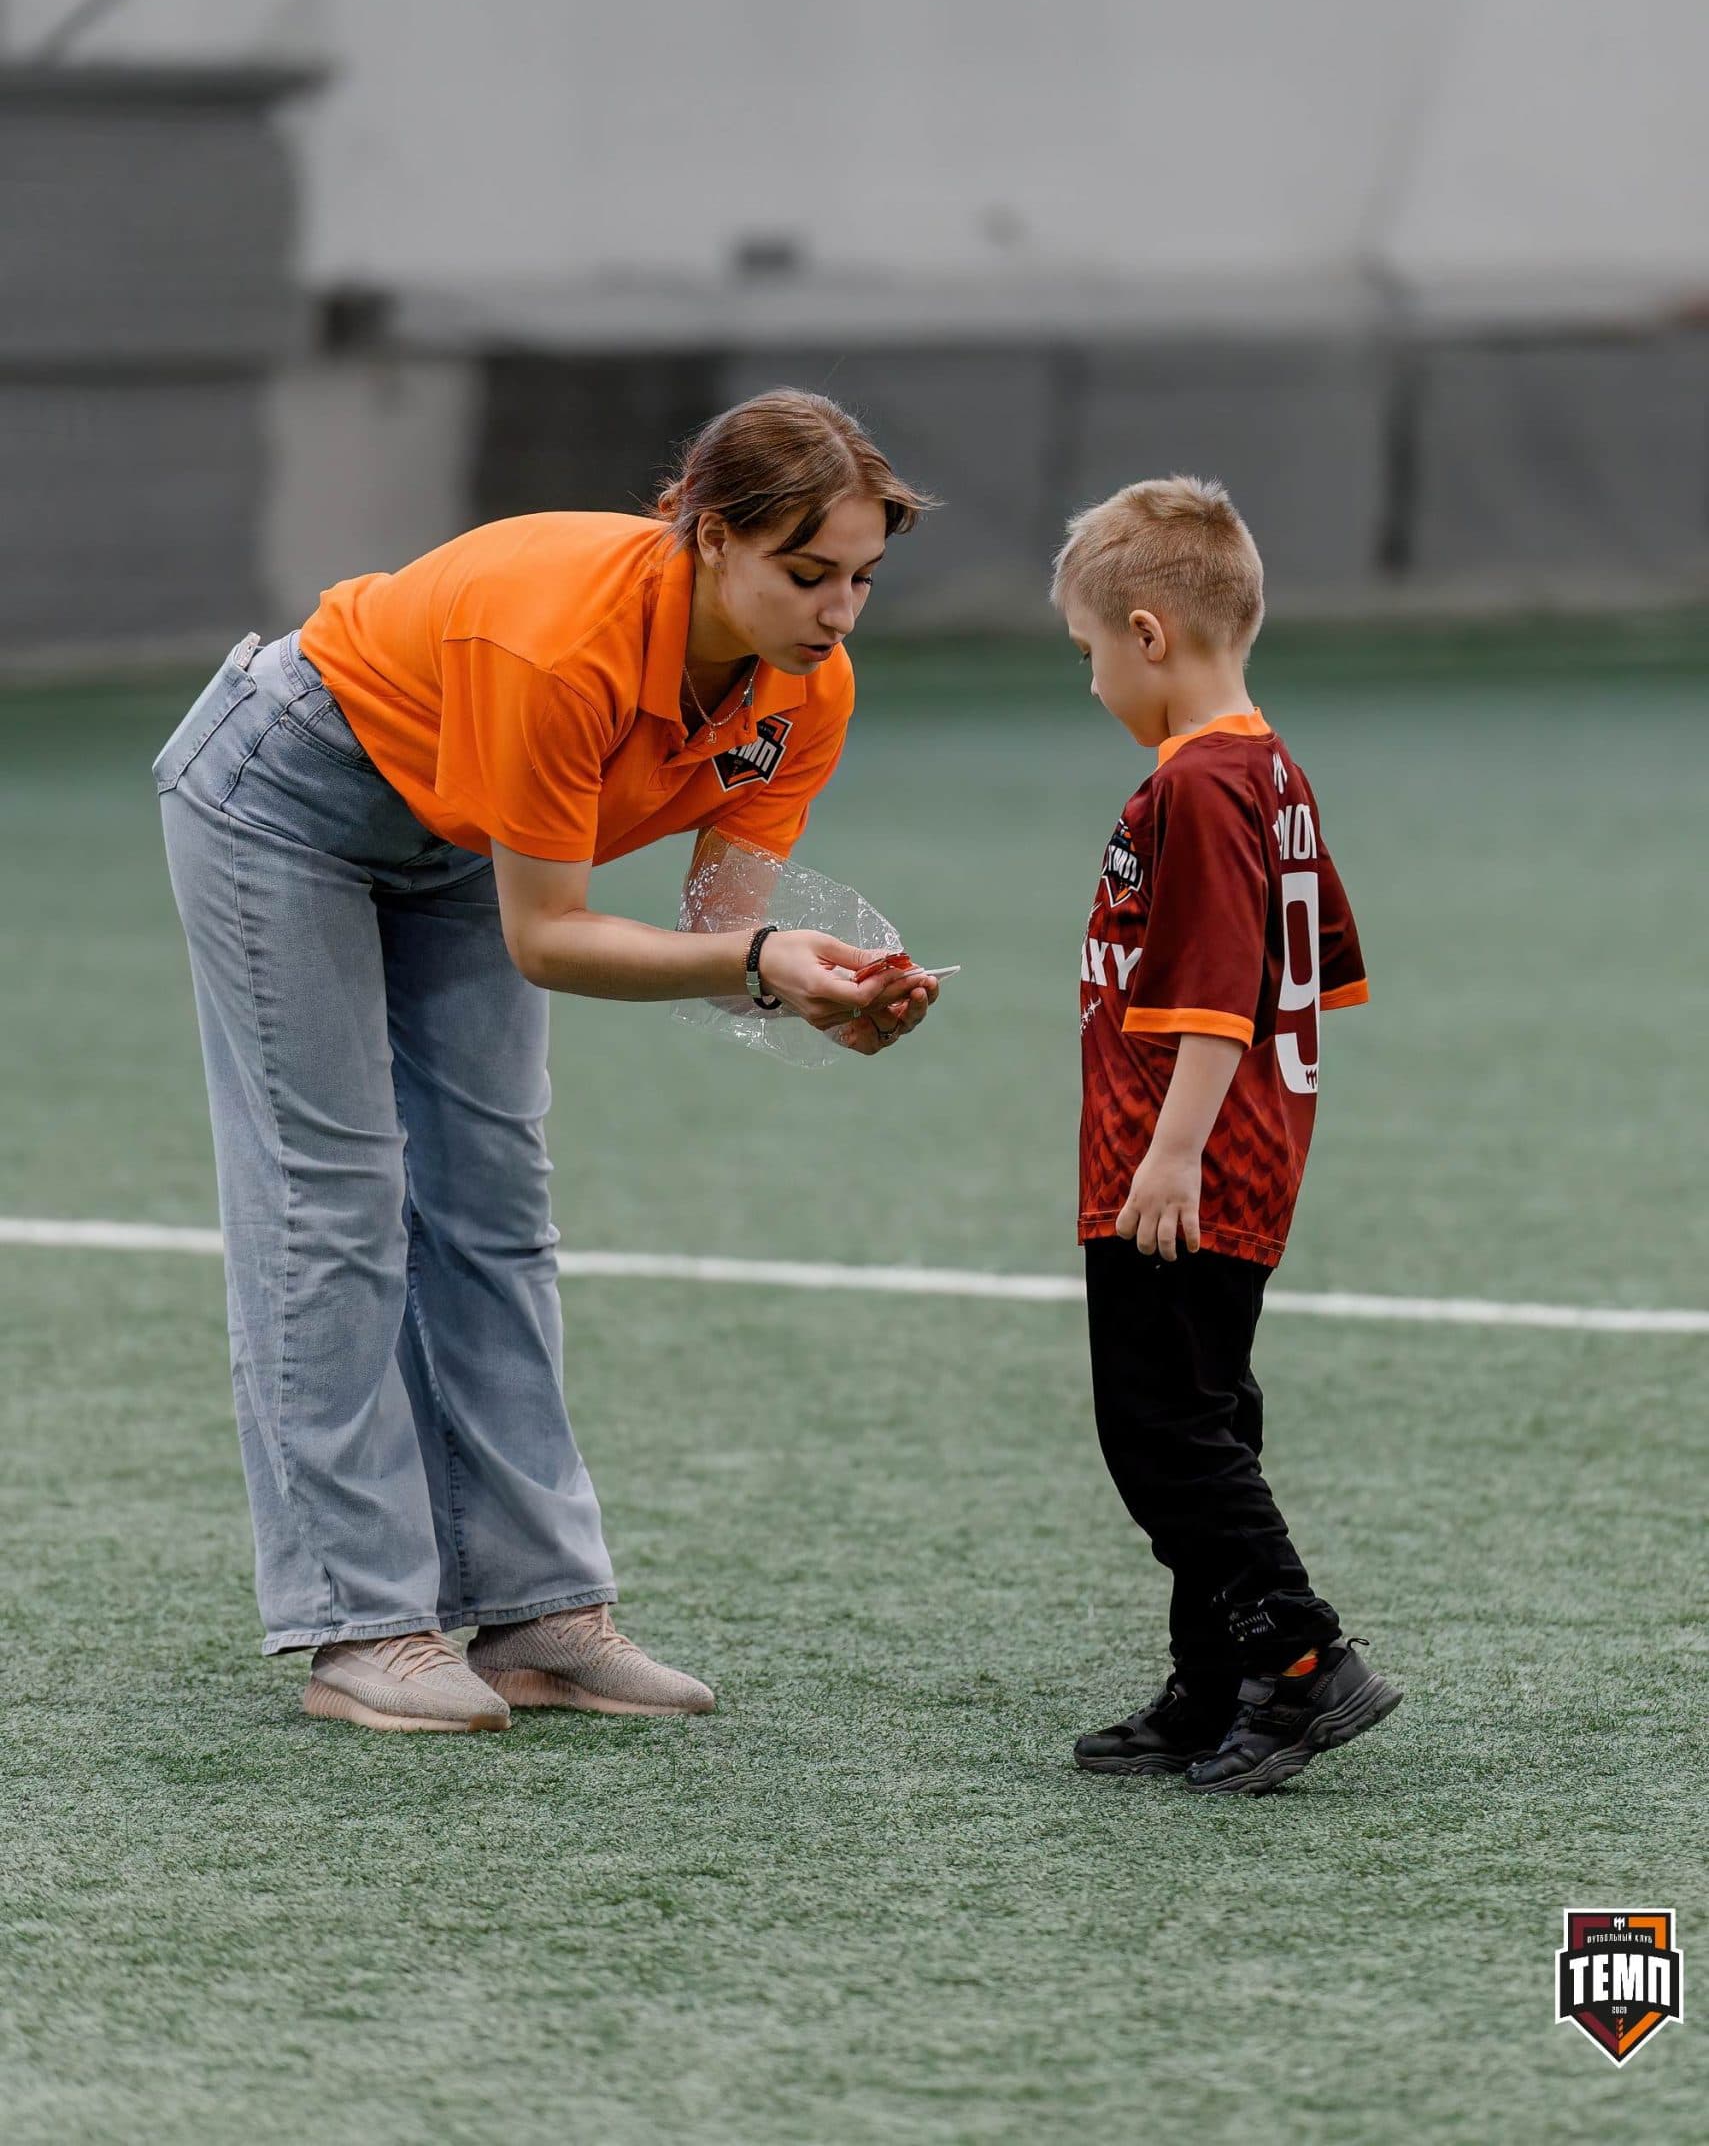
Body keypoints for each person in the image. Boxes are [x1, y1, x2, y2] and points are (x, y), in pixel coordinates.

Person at [152, 389, 939, 1735]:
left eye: (860, 580)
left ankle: (536, 1613)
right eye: (806, 575)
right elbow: (552, 939)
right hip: (283, 796)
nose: (836, 612)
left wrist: (814, 993)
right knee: (336, 1196)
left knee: (495, 1203)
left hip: (453, 827)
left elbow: (717, 927)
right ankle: (363, 1622)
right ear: (706, 537)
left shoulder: (804, 687)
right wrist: (759, 966)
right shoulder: (565, 645)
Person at [1051, 476, 1401, 1795]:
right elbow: (1316, 968)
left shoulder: (1200, 782)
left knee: (1158, 1429)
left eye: (1088, 651)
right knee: (1203, 1415)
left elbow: (1219, 983)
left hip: (1178, 1172)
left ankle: (1298, 1657)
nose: (1088, 682)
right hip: (1230, 1156)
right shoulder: (1265, 768)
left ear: (1147, 635)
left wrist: (1173, 1149)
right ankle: (1214, 1676)